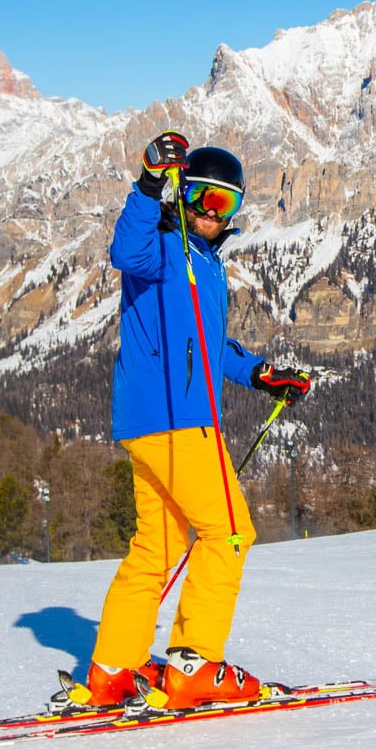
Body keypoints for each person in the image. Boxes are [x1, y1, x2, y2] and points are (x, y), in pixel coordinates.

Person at [83, 131, 310, 709]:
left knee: (154, 550)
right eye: (206, 198)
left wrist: (259, 374)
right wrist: (149, 185)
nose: (214, 213)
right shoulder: (162, 243)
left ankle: (114, 668)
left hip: (147, 423)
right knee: (231, 533)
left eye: (226, 204)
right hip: (179, 421)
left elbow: (210, 343)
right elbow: (124, 252)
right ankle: (193, 665)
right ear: (186, 196)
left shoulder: (207, 264)